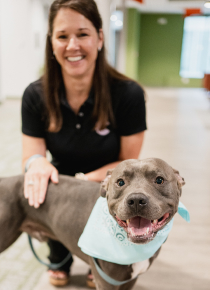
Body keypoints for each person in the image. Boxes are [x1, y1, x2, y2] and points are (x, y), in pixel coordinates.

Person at [21, 0, 146, 287]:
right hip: (60, 184)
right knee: (38, 183)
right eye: (62, 36)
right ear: (51, 42)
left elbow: (130, 164)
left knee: (102, 266)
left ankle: (102, 256)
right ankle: (59, 251)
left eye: (83, 34)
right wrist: (36, 164)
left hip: (109, 183)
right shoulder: (35, 95)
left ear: (100, 38)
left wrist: (82, 182)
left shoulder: (128, 94)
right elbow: (31, 155)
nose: (72, 45)